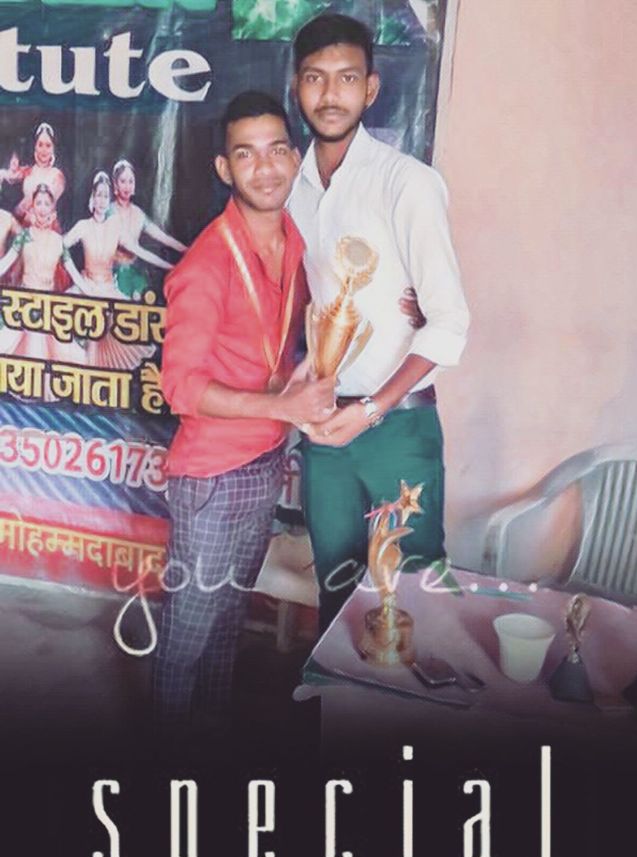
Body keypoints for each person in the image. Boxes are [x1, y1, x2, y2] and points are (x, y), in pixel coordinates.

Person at [152, 91, 335, 744]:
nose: (266, 167)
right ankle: (164, 753)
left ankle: (209, 730)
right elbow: (180, 387)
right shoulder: (206, 266)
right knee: (189, 627)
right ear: (225, 168)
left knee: (230, 613)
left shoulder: (296, 240)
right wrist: (281, 405)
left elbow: (280, 341)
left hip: (264, 459)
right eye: (246, 154)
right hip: (211, 477)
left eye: (277, 149)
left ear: (295, 157)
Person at [288, 12, 470, 630]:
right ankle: (330, 693)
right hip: (324, 426)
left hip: (399, 426)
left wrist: (372, 409)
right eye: (314, 77)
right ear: (297, 87)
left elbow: (449, 321)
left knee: (411, 595)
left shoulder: (407, 184)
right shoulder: (292, 189)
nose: (329, 94)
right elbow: (308, 300)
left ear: (370, 89)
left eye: (346, 78)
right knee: (336, 587)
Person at [64, 171, 158, 369]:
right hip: (85, 288)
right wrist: (77, 278)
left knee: (133, 327)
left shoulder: (115, 225)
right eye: (99, 195)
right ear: (93, 197)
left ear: (109, 200)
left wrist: (171, 265)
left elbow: (139, 251)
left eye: (106, 196)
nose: (102, 200)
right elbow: (60, 246)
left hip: (108, 290)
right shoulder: (83, 226)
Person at [0, 184, 89, 373]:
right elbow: (5, 263)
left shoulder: (58, 241)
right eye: (38, 203)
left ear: (52, 209)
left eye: (46, 204)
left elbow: (75, 274)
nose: (42, 208)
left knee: (74, 359)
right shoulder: (24, 237)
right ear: (32, 208)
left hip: (49, 309)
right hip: (23, 306)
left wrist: (95, 293)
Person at [111, 158, 185, 298]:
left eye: (131, 181)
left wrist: (189, 250)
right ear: (115, 184)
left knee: (144, 295)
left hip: (135, 273)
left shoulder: (138, 213)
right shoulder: (110, 212)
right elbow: (138, 250)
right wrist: (173, 267)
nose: (127, 186)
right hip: (114, 274)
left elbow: (163, 238)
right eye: (123, 181)